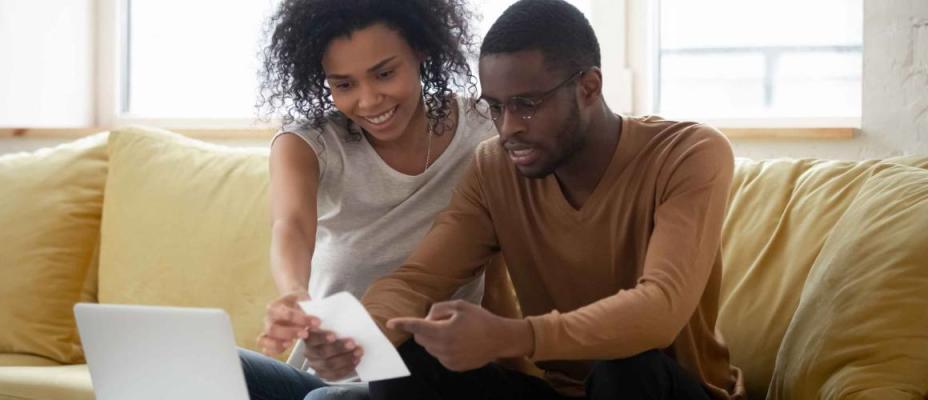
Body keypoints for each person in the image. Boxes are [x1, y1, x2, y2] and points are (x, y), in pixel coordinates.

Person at [297, 0, 747, 399]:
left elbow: (660, 310)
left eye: (527, 104)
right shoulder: (495, 167)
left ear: (589, 87)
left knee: (627, 364)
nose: (507, 126)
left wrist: (516, 336)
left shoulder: (689, 153)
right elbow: (416, 281)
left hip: (665, 386)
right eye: (495, 107)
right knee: (410, 359)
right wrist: (359, 337)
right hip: (560, 391)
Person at [239, 0, 496, 399]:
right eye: (344, 84)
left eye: (385, 73)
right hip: (323, 372)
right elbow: (290, 224)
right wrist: (294, 290)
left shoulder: (483, 132)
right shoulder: (309, 144)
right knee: (201, 364)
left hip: (423, 379)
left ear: (420, 50)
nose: (369, 100)